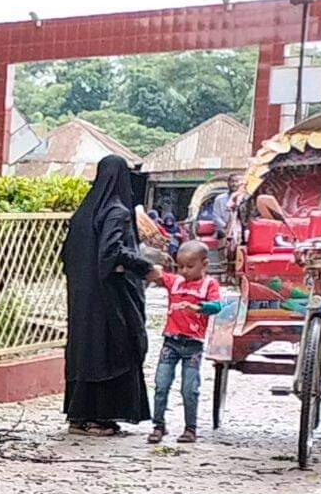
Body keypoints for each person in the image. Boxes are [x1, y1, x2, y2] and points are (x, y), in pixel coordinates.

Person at [62, 155, 155, 436]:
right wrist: (145, 267)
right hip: (109, 299)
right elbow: (110, 252)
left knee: (85, 351)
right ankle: (99, 418)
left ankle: (80, 416)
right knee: (114, 351)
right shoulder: (117, 212)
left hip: (81, 300)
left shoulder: (84, 213)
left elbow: (67, 254)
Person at [145, 240, 221, 444]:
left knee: (189, 388)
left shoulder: (209, 285)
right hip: (170, 342)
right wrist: (155, 264)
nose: (184, 271)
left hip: (193, 345)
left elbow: (217, 306)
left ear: (204, 265)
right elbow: (155, 275)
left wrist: (198, 308)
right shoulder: (175, 281)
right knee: (161, 385)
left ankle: (190, 428)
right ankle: (158, 425)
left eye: (190, 266)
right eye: (180, 266)